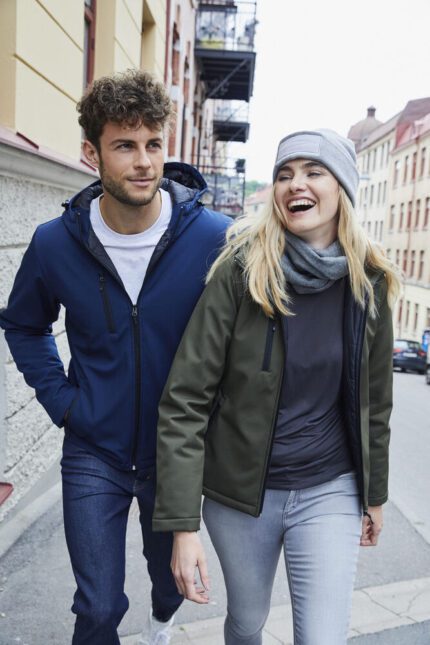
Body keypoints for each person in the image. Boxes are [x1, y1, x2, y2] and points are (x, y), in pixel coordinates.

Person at [0, 70, 230, 645]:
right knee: (98, 606)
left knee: (168, 582)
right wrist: (64, 404)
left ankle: (161, 625)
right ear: (91, 153)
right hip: (93, 449)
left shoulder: (212, 239)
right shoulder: (56, 242)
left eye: (154, 143)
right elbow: (24, 325)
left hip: (174, 453)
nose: (145, 162)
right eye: (125, 145)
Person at [153, 129, 401, 645]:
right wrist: (182, 526)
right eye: (285, 174)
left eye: (313, 172)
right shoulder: (241, 270)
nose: (295, 184)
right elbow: (185, 399)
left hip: (330, 487)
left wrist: (374, 495)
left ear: (342, 188)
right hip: (243, 496)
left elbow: (375, 402)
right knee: (247, 622)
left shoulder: (369, 280)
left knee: (322, 637)